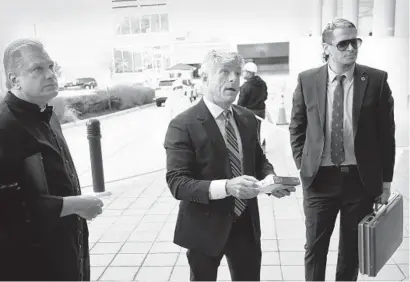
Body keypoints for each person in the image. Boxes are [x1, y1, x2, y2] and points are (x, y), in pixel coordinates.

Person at [164, 50, 295, 281]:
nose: (234, 79)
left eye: (237, 73)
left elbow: (258, 160)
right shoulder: (182, 124)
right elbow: (178, 183)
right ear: (204, 79)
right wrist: (227, 187)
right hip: (204, 227)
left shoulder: (246, 117)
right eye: (224, 72)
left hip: (246, 224)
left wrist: (271, 181)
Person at [289, 18, 395, 281]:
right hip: (319, 179)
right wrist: (303, 164)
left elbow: (386, 136)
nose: (351, 48)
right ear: (326, 48)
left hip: (359, 180)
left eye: (355, 42)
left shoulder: (376, 80)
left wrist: (385, 183)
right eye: (343, 43)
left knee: (351, 251)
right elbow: (297, 127)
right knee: (315, 247)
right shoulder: (308, 80)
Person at [0, 38, 109, 281]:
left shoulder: (47, 115)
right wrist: (75, 204)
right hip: (30, 263)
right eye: (37, 69)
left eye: (51, 67)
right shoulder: (5, 126)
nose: (50, 74)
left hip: (67, 247)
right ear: (14, 79)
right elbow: (8, 210)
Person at [238, 62, 268, 150]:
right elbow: (265, 96)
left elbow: (241, 102)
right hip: (261, 111)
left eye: (244, 71)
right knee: (258, 129)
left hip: (249, 111)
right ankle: (261, 145)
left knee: (248, 131)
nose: (243, 73)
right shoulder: (263, 83)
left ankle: (253, 148)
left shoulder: (246, 86)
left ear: (249, 73)